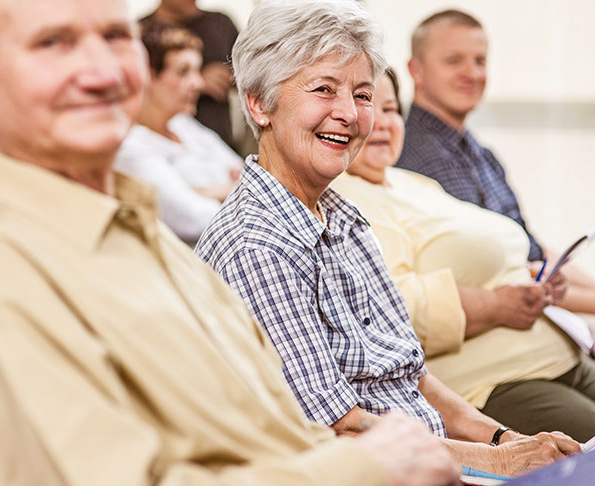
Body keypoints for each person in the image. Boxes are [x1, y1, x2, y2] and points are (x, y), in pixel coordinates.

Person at [0, 1, 462, 485]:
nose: (101, 71)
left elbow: (270, 434)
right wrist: (372, 466)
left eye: (116, 38)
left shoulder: (145, 240)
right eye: (53, 43)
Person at [196, 0, 581, 478]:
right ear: (258, 102)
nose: (350, 114)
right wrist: (501, 462)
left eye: (362, 95)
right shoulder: (254, 245)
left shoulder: (343, 216)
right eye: (323, 89)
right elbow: (339, 429)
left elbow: (411, 374)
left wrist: (508, 439)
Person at [332, 67, 595, 442]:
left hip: (560, 358)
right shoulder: (346, 198)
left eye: (391, 109)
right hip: (493, 384)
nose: (383, 122)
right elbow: (387, 312)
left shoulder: (413, 183)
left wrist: (534, 280)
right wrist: (493, 305)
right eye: (367, 106)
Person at [395, 9, 595, 315]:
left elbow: (532, 249)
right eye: (454, 61)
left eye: (480, 61)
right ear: (416, 70)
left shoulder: (480, 153)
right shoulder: (416, 156)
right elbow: (501, 273)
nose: (472, 74)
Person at [115, 23, 241, 244]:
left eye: (197, 71)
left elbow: (250, 173)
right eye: (184, 72)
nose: (198, 83)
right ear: (148, 76)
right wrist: (234, 189)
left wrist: (205, 192)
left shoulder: (184, 126)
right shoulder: (130, 148)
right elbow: (194, 219)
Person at [141, 0, 239, 150]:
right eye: (183, 71)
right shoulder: (141, 32)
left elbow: (252, 78)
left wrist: (232, 76)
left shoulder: (220, 24)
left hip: (220, 140)